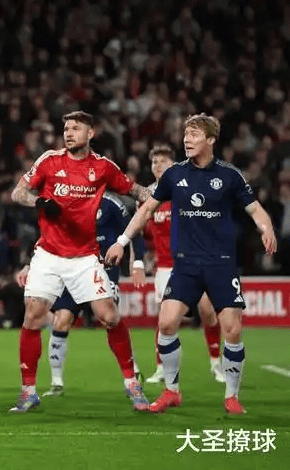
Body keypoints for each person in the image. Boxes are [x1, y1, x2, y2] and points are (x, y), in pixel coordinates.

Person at [105, 113, 277, 415]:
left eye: (195, 134)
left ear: (210, 139)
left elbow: (255, 209)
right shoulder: (174, 175)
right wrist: (122, 240)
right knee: (166, 323)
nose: (187, 139)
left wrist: (268, 228)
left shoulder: (230, 175)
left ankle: (231, 396)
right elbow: (146, 210)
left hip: (221, 264)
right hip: (185, 265)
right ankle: (172, 391)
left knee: (232, 329)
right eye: (186, 134)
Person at [9, 110, 151, 413]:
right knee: (33, 316)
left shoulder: (103, 167)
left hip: (85, 257)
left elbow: (135, 190)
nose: (69, 133)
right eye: (66, 128)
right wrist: (38, 201)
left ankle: (132, 383)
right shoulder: (49, 161)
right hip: (48, 254)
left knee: (108, 316)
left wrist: (160, 192)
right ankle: (28, 391)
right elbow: (18, 193)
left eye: (75, 128)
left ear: (90, 133)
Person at [18, 191, 144, 398]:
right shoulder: (64, 198)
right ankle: (56, 382)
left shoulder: (112, 203)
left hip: (102, 267)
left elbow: (134, 229)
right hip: (68, 265)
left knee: (109, 317)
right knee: (62, 320)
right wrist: (29, 264)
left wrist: (137, 261)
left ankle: (132, 373)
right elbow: (47, 235)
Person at [136, 144, 225, 384]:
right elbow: (141, 233)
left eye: (163, 162)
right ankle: (161, 369)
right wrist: (141, 258)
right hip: (165, 266)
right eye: (154, 162)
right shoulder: (146, 197)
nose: (158, 166)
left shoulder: (186, 189)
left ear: (173, 165)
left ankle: (216, 363)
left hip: (195, 261)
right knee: (165, 320)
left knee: (208, 311)